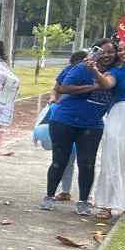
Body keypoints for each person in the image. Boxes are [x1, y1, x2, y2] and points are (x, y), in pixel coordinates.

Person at [39, 38, 118, 215]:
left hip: (93, 125)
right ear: (95, 51)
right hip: (64, 121)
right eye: (103, 51)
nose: (107, 55)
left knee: (87, 164)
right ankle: (49, 196)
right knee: (60, 160)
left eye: (111, 51)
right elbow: (64, 87)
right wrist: (93, 87)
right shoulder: (83, 67)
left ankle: (83, 201)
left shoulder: (116, 73)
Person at [87, 41, 125, 218]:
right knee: (114, 158)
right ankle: (107, 205)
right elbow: (107, 83)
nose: (122, 52)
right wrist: (94, 71)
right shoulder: (117, 72)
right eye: (120, 49)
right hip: (120, 117)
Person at [45, 50, 89, 201]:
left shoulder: (95, 72)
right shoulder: (68, 70)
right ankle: (65, 190)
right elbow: (56, 89)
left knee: (86, 161)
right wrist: (53, 98)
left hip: (87, 122)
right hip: (65, 119)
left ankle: (87, 195)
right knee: (65, 158)